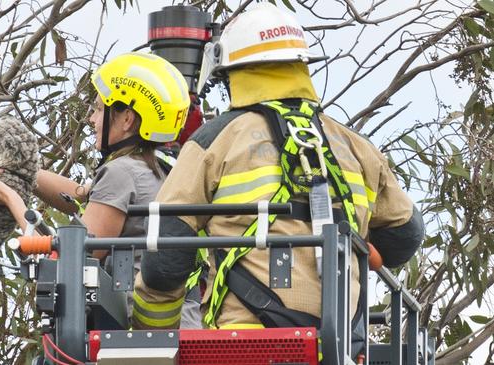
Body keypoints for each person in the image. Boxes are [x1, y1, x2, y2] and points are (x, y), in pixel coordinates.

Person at [132, 2, 424, 339]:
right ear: (299, 68)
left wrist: (149, 340)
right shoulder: (355, 146)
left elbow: (165, 260)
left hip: (245, 341)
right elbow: (404, 237)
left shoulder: (216, 140)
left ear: (232, 74)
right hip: (343, 340)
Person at [0, 52, 189, 267]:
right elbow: (83, 196)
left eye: (98, 109)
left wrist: (7, 195)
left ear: (127, 119)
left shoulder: (122, 173)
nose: (91, 119)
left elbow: (68, 264)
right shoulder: (161, 167)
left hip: (128, 299)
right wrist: (20, 172)